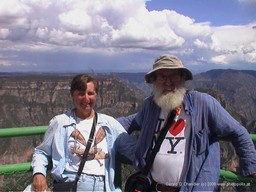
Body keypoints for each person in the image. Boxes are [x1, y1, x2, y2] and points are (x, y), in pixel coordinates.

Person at [118, 54, 256, 191]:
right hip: (154, 187)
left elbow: (238, 132)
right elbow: (129, 122)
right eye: (162, 76)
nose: (168, 82)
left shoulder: (203, 103)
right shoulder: (151, 106)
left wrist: (251, 166)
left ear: (183, 78)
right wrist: (100, 124)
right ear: (154, 80)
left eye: (174, 76)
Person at [30, 74, 135, 192]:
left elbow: (134, 152)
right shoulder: (59, 123)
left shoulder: (109, 124)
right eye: (81, 93)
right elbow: (41, 151)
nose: (86, 99)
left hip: (104, 186)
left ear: (96, 95)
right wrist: (38, 173)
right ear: (72, 95)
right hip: (74, 185)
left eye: (90, 93)